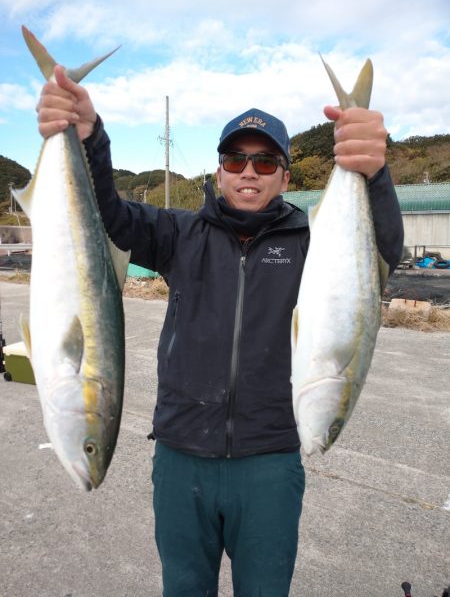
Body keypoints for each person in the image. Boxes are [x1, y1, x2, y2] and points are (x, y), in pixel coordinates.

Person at [37, 65, 404, 597]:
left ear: (285, 175)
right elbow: (108, 216)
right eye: (236, 159)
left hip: (271, 461)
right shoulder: (178, 233)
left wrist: (374, 172)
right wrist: (90, 137)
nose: (248, 172)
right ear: (219, 170)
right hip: (181, 456)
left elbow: (380, 253)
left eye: (264, 161)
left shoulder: (312, 242)